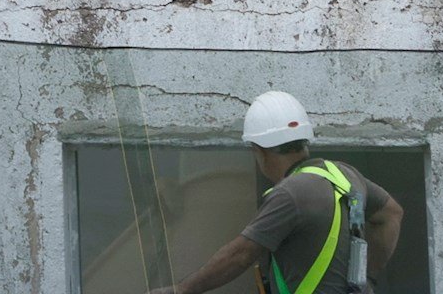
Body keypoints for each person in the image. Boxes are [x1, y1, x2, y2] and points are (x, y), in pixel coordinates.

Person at [147, 92, 402, 294]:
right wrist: (367, 278)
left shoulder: (290, 194)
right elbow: (392, 214)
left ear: (260, 151)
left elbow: (241, 254)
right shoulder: (345, 174)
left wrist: (182, 289)